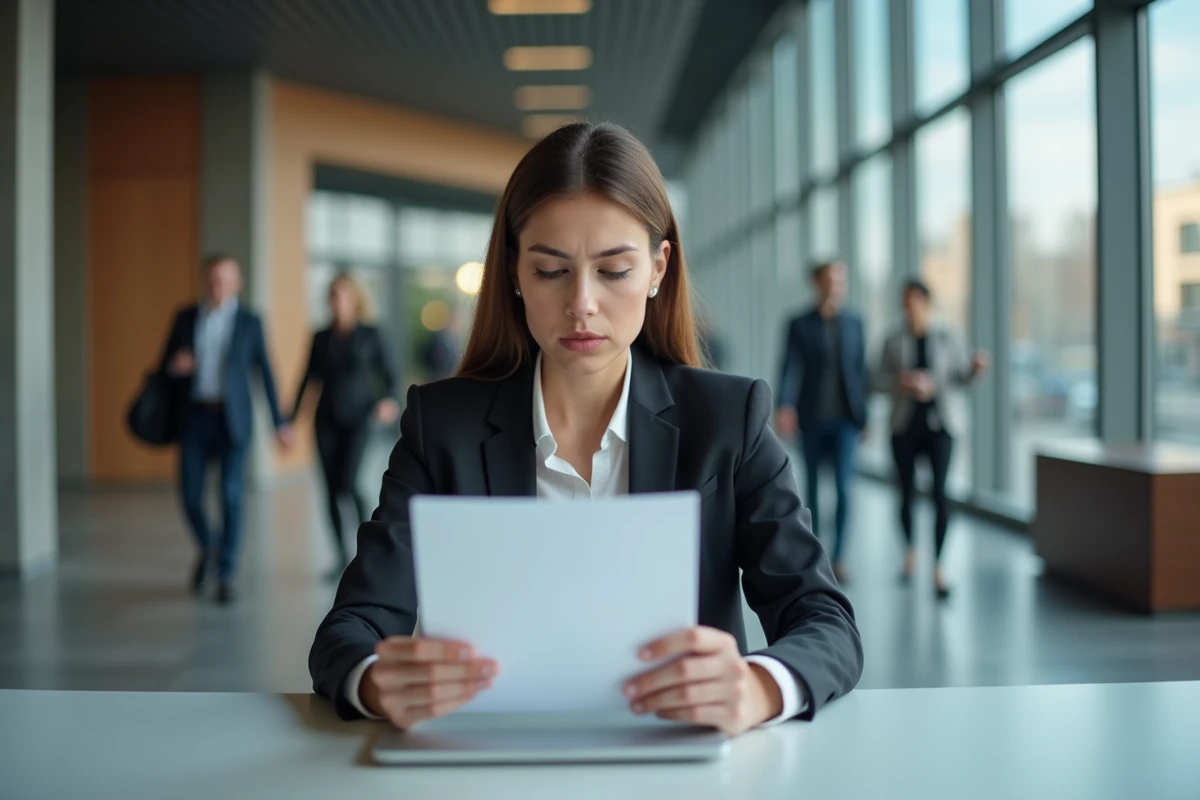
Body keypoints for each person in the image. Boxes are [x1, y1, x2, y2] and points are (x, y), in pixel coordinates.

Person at [309, 122, 862, 736]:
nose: (582, 303)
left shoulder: (728, 422)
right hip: (488, 767)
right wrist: (374, 679)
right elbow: (350, 628)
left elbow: (824, 620)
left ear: (658, 268)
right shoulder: (442, 426)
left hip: (680, 768)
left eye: (613, 270)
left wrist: (759, 686)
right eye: (551, 271)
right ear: (514, 271)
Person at [157, 253, 292, 604]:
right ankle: (211, 548)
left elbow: (265, 371)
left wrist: (280, 423)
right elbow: (163, 368)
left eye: (225, 279)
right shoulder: (185, 318)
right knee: (189, 496)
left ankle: (227, 572)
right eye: (213, 279)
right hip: (195, 417)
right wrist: (176, 365)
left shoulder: (249, 321)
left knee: (231, 496)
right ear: (205, 280)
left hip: (233, 419)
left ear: (237, 283)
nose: (219, 286)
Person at [874, 279, 990, 600]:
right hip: (904, 425)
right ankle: (911, 549)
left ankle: (938, 565)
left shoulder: (948, 335)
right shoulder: (892, 338)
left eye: (913, 300)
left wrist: (975, 370)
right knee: (906, 491)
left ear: (926, 302)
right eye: (904, 301)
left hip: (941, 425)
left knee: (940, 492)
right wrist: (901, 382)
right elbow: (875, 379)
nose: (908, 307)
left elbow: (960, 378)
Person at [290, 273, 399, 582]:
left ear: (355, 299)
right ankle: (340, 556)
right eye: (333, 296)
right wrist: (289, 421)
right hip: (325, 421)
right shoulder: (321, 336)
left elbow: (390, 374)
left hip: (359, 420)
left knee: (348, 484)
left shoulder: (371, 334)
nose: (337, 302)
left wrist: (389, 400)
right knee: (328, 491)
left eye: (343, 296)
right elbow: (308, 379)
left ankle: (369, 548)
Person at [774, 261, 868, 584]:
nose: (836, 286)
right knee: (812, 489)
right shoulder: (799, 324)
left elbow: (860, 372)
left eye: (840, 280)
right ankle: (818, 556)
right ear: (816, 283)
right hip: (812, 418)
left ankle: (840, 557)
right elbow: (789, 367)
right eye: (830, 280)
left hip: (846, 420)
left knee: (844, 488)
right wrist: (784, 405)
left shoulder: (855, 323)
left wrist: (865, 417)